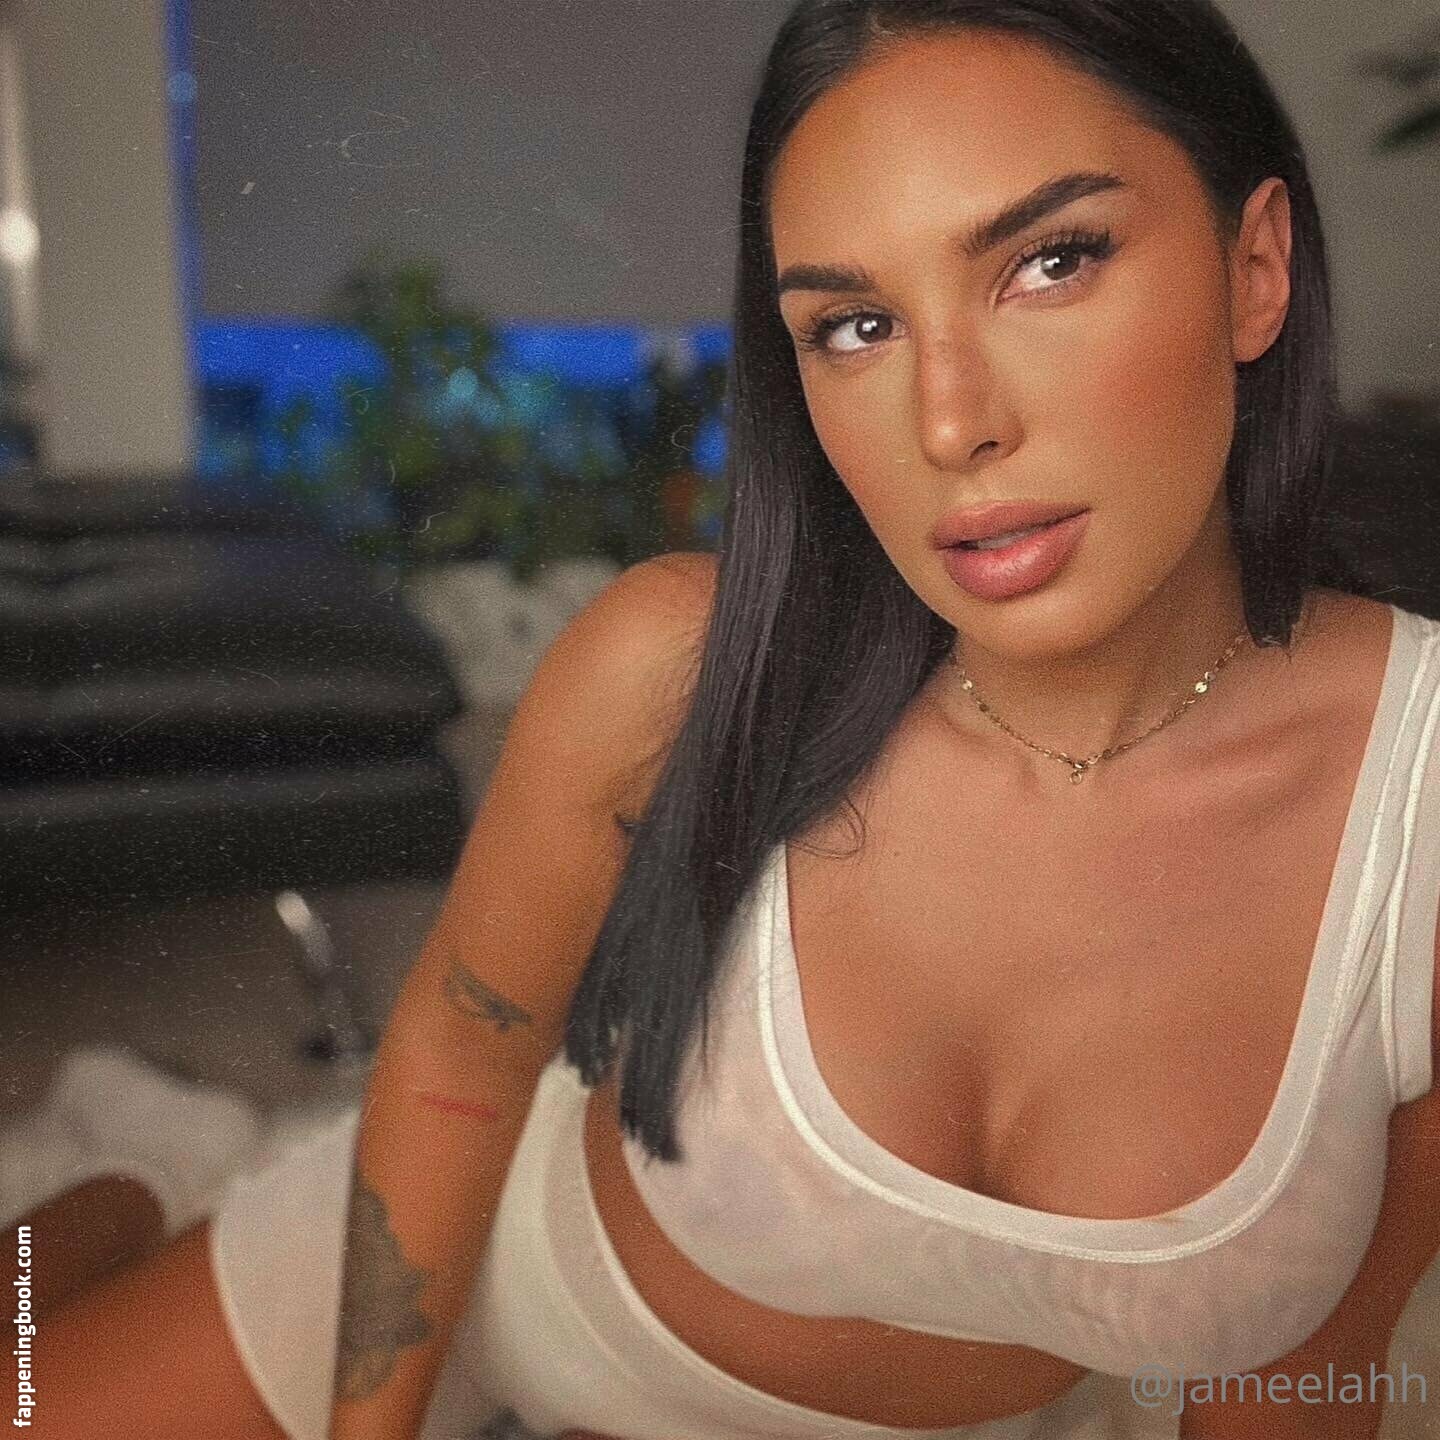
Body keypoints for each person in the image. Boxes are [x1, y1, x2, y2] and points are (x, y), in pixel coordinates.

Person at [13, 0, 1440, 1436]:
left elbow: (1309, 1370)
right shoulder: (678, 667)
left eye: (1050, 262)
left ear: (1256, 269)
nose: (951, 423)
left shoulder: (1416, 799)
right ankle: (129, 1184)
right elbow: (459, 1047)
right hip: (499, 1292)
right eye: (857, 326)